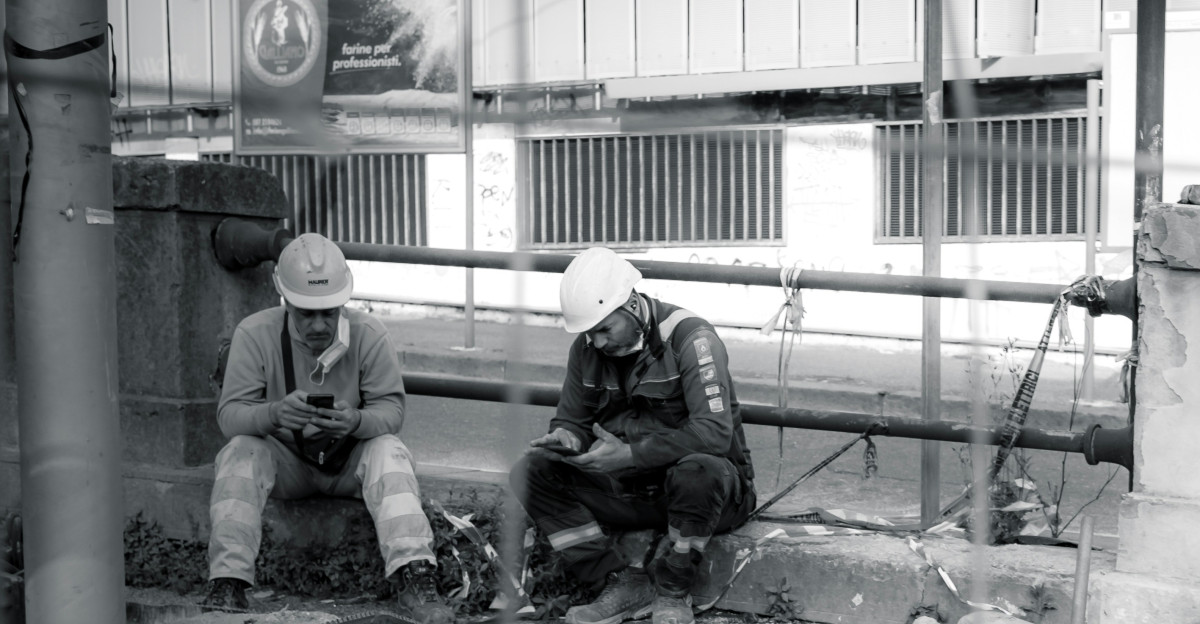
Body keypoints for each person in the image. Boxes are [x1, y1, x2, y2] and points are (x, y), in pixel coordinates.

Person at [202, 233, 451, 624]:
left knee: (389, 449)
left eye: (330, 313)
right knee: (240, 451)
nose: (319, 325)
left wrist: (356, 421)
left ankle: (415, 576)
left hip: (349, 459)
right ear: (285, 300)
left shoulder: (369, 334)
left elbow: (391, 412)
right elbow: (230, 416)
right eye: (306, 313)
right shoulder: (254, 333)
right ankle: (227, 583)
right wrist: (273, 414)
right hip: (287, 463)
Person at [509, 247, 757, 624]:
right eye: (590, 333)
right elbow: (572, 420)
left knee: (698, 471)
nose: (598, 342)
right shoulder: (586, 349)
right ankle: (619, 581)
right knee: (532, 471)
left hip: (711, 496)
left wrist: (628, 455)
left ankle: (673, 590)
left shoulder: (693, 340)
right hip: (634, 491)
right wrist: (567, 440)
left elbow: (714, 435)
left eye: (605, 329)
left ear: (631, 305)